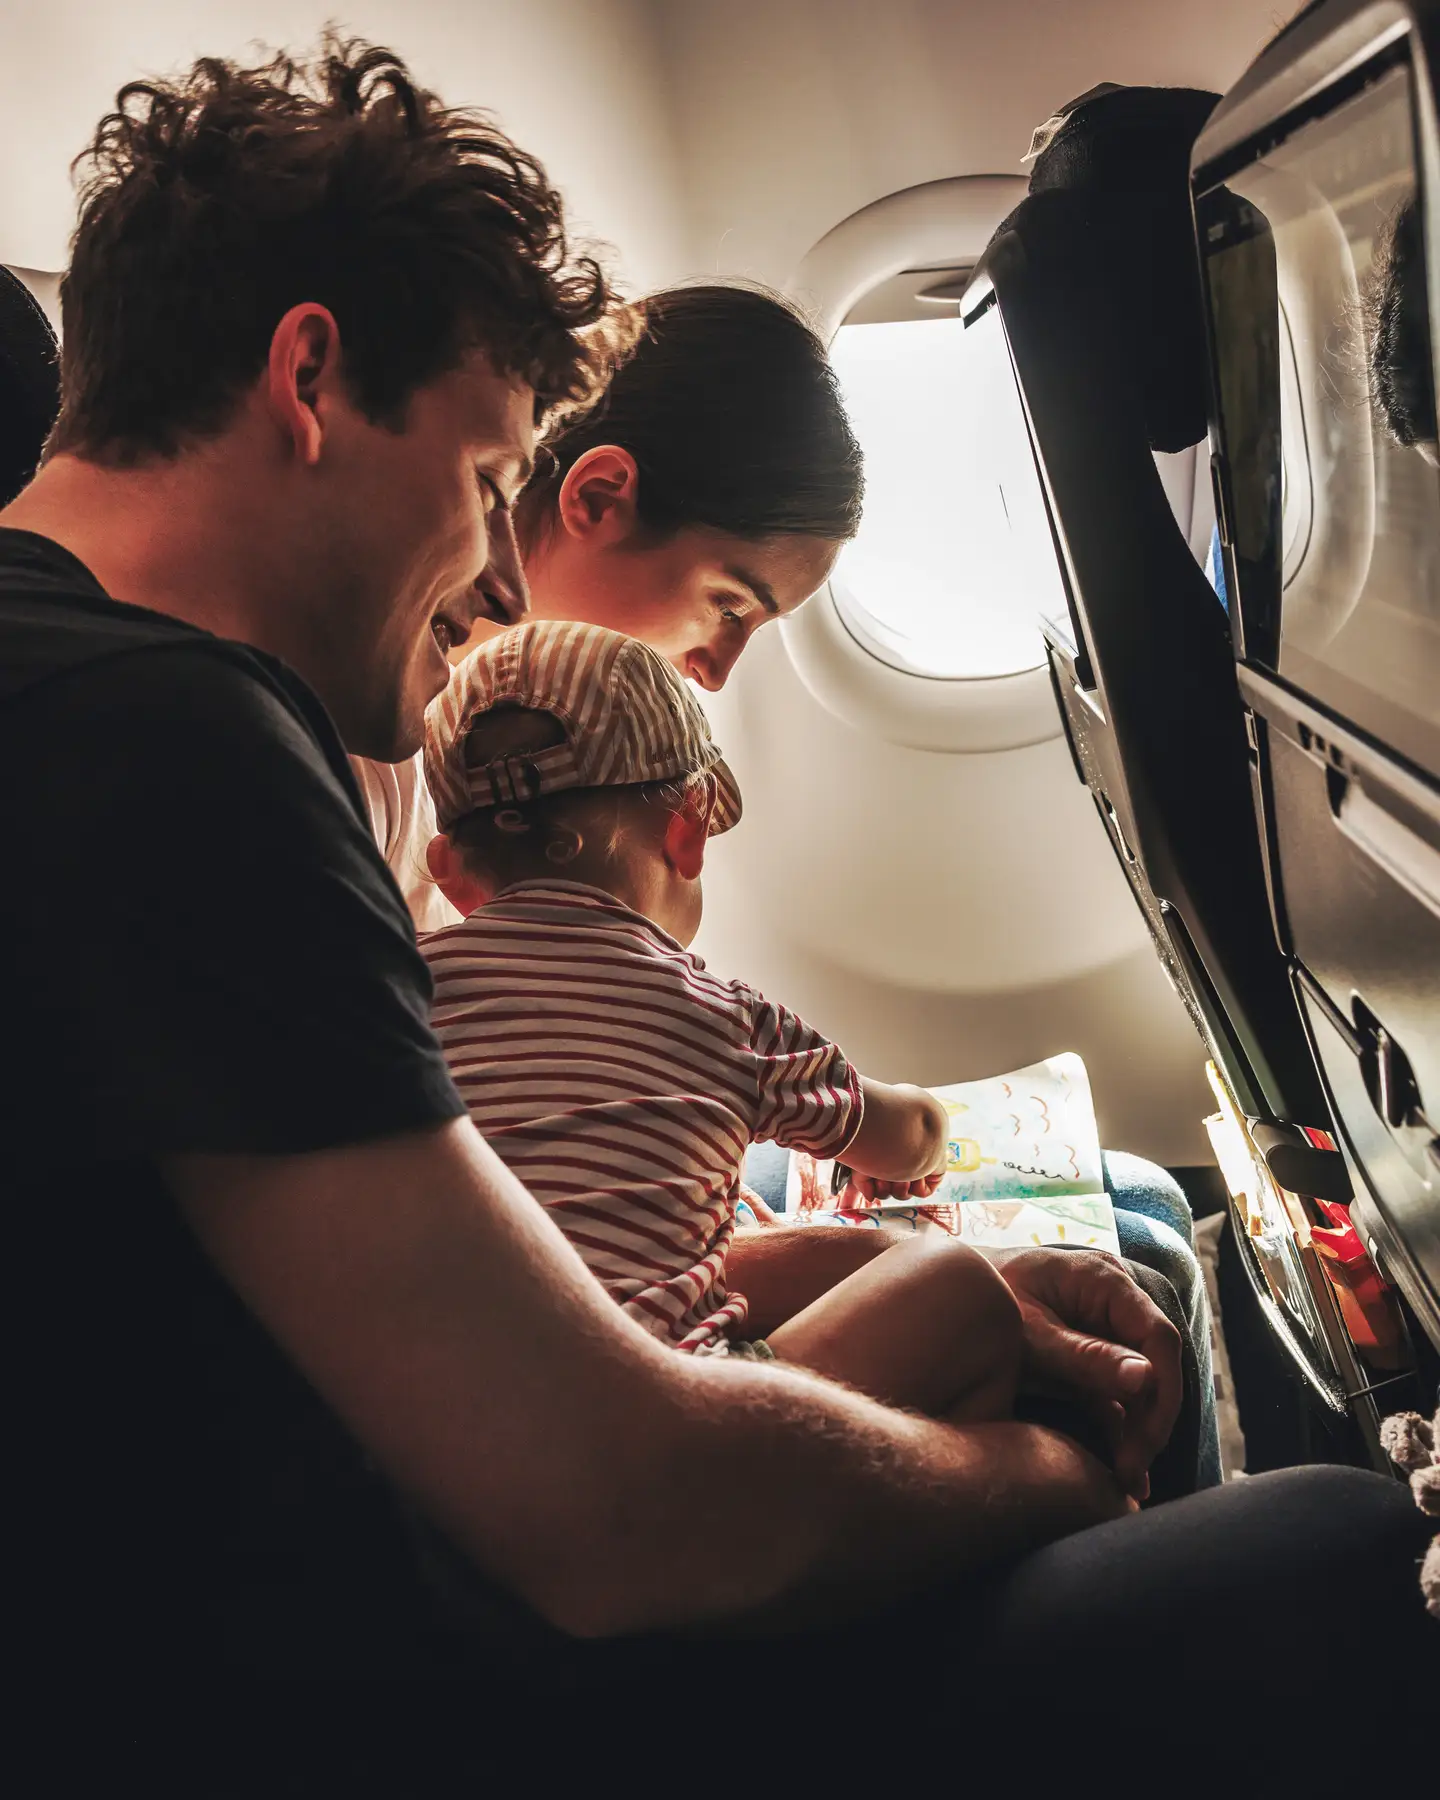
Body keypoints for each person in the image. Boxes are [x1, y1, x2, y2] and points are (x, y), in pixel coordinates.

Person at [1, 36, 1432, 1758]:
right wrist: (1048, 1476)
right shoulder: (173, 752)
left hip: (378, 1554)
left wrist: (850, 1278)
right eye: (487, 482)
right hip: (431, 1682)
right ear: (308, 381)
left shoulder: (99, 693)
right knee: (1344, 1549)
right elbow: (619, 1519)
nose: (499, 571)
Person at [364, 276, 1226, 1483]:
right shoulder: (391, 755)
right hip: (569, 1343)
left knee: (1142, 1204)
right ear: (597, 498)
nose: (716, 672)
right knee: (1136, 1255)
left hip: (563, 1246)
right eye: (730, 604)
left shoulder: (496, 758)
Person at [420, 618, 1026, 1430]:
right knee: (955, 1288)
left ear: (450, 875)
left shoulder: (396, 997)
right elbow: (907, 1137)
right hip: (681, 1430)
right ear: (689, 829)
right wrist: (926, 1128)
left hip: (447, 1431)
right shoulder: (726, 1016)